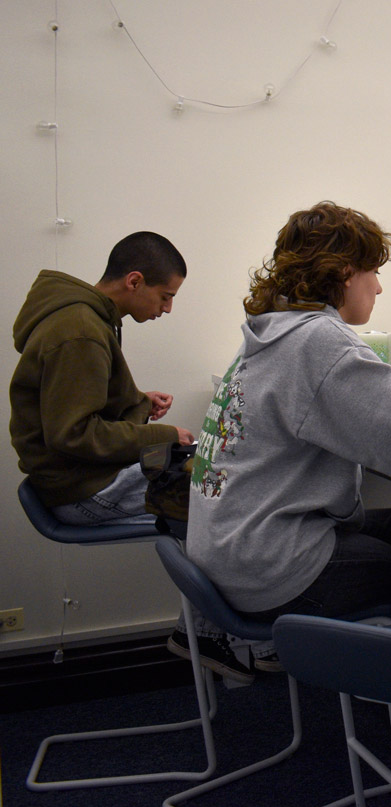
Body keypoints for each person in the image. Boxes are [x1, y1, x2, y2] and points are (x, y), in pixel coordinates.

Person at [185, 202, 391, 807]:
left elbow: (349, 416)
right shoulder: (320, 342)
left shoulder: (273, 332)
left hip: (234, 546)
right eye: (372, 271)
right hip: (272, 562)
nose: (379, 284)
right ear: (343, 274)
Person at [7, 233, 242, 676]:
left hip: (73, 477)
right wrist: (161, 434)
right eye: (165, 296)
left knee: (208, 480)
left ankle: (212, 634)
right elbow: (72, 434)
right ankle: (217, 635)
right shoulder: (80, 332)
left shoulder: (82, 316)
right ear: (135, 281)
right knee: (222, 500)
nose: (167, 308)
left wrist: (135, 402)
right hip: (80, 490)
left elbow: (74, 401)